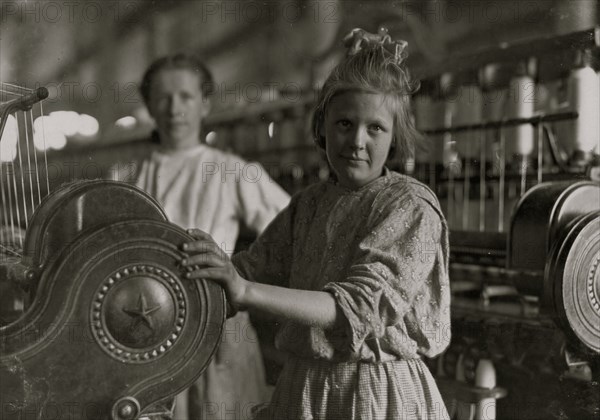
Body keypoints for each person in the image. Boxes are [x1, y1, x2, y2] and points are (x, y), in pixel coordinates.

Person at [180, 29, 451, 419]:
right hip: (304, 389)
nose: (357, 140)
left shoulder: (409, 205)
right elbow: (253, 266)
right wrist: (203, 270)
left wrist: (244, 290)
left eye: (375, 128)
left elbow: (357, 308)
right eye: (344, 124)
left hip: (376, 395)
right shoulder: (310, 203)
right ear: (322, 127)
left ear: (395, 138)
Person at [112, 53, 290, 419]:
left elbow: (294, 232)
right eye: (163, 97)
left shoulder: (232, 171)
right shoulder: (126, 178)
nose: (174, 107)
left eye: (186, 96)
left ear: (205, 103)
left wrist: (240, 275)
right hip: (144, 327)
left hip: (217, 325)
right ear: (149, 105)